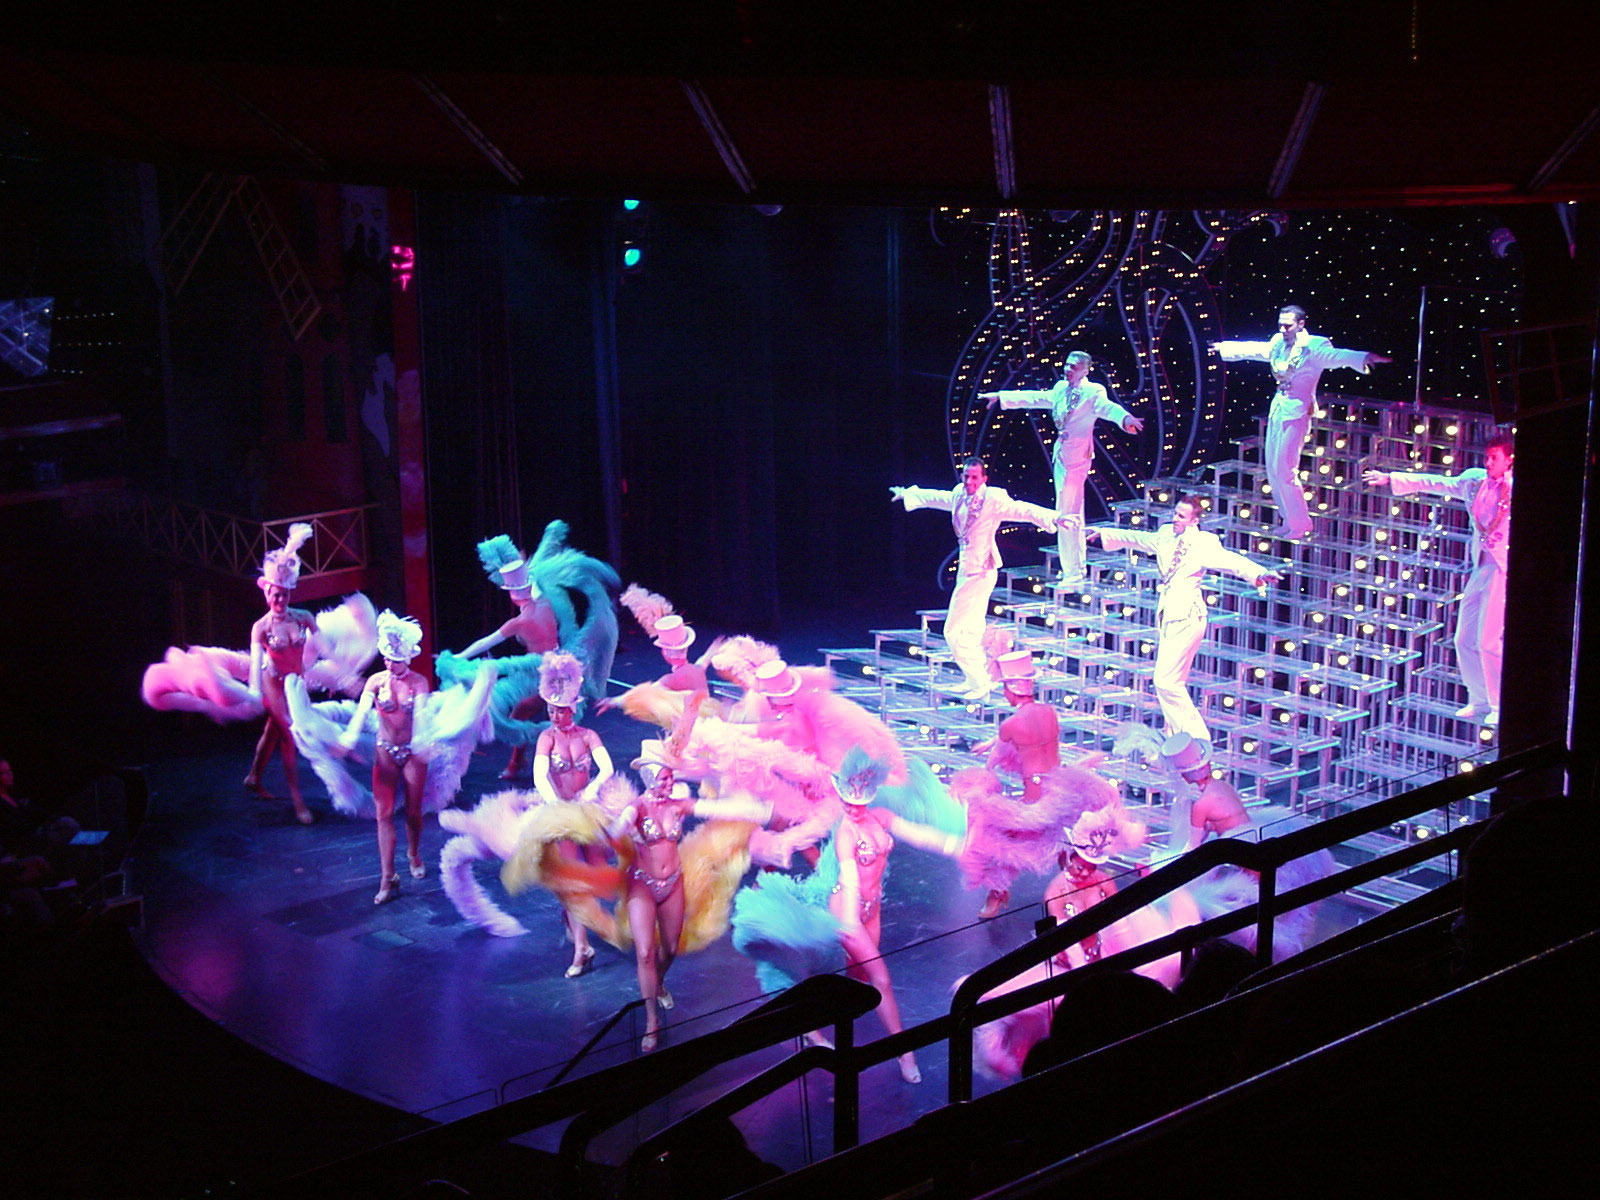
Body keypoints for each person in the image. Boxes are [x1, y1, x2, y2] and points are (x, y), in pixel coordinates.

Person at [140, 524, 378, 823]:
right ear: (267, 592)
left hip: (296, 682)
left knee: (273, 730)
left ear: (289, 593)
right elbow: (256, 665)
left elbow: (326, 652)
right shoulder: (261, 627)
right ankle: (298, 802)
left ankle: (253, 776)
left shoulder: (304, 618)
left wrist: (346, 678)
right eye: (275, 595)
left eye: (284, 595)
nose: (279, 601)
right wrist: (252, 693)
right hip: (272, 681)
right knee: (290, 735)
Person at [1087, 494, 1281, 741]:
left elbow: (1230, 561)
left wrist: (1259, 573)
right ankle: (1176, 736)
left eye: (1181, 516)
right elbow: (1138, 539)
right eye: (1175, 513)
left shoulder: (1202, 542)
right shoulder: (1165, 534)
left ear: (1194, 520)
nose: (1175, 518)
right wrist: (1104, 533)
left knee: (1166, 682)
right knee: (1171, 681)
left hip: (1188, 617)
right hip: (1169, 615)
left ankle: (1196, 739)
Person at [439, 522, 620, 778]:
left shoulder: (519, 622)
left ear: (513, 595)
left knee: (525, 713)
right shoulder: (544, 603)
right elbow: (535, 584)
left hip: (538, 672)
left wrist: (457, 658)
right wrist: (521, 569)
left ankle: (538, 763)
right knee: (542, 713)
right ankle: (529, 762)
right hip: (557, 665)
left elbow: (485, 643)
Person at [1364, 431, 1513, 726]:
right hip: (1481, 564)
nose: (1487, 463)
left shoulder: (1519, 488)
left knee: (1487, 641)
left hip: (1503, 567)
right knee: (1463, 638)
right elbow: (1436, 482)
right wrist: (1391, 478)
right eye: (1486, 457)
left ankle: (1499, 704)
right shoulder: (1474, 481)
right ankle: (1479, 699)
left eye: (1494, 458)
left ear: (1509, 460)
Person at [891, 458, 1070, 699]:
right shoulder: (959, 494)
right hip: (967, 571)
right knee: (971, 631)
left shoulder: (993, 499)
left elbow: (1022, 509)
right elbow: (939, 498)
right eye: (966, 476)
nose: (969, 481)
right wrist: (909, 494)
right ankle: (976, 679)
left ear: (984, 479)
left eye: (974, 477)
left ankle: (980, 681)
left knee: (953, 631)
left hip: (982, 572)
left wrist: (1055, 517)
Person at [1214, 305, 1392, 539]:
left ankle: (1301, 524)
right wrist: (1225, 347)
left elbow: (1337, 356)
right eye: (1280, 324)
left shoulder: (1314, 347)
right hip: (1279, 408)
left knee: (1285, 469)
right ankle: (1288, 519)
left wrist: (1364, 357)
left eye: (1288, 325)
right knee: (1273, 468)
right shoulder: (1278, 343)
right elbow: (1258, 349)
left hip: (1297, 412)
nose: (1283, 329)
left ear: (1301, 324)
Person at [981, 350, 1145, 583]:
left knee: (1067, 511)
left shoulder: (1093, 391)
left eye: (1074, 367)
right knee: (1069, 510)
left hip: (1077, 458)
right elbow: (1036, 398)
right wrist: (1002, 397)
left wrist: (1125, 418)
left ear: (1085, 370)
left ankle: (1073, 572)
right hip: (1062, 455)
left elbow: (1108, 408)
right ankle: (1074, 569)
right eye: (1067, 365)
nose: (1068, 369)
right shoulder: (1060, 388)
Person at [531, 651, 615, 976]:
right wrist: (555, 804)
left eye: (561, 710)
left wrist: (592, 790)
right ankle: (582, 947)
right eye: (551, 710)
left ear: (573, 709)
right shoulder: (546, 738)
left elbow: (606, 768)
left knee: (592, 876)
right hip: (561, 812)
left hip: (587, 811)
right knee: (572, 880)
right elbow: (540, 775)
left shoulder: (589, 736)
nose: (555, 715)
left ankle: (572, 918)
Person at [341, 611, 433, 905]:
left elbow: (421, 717)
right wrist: (349, 737)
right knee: (383, 814)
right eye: (386, 659)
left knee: (413, 812)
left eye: (395, 659)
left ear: (407, 658)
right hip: (385, 752)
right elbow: (361, 713)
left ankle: (413, 852)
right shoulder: (375, 682)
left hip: (413, 752)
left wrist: (421, 742)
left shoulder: (419, 683)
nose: (390, 664)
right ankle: (387, 876)